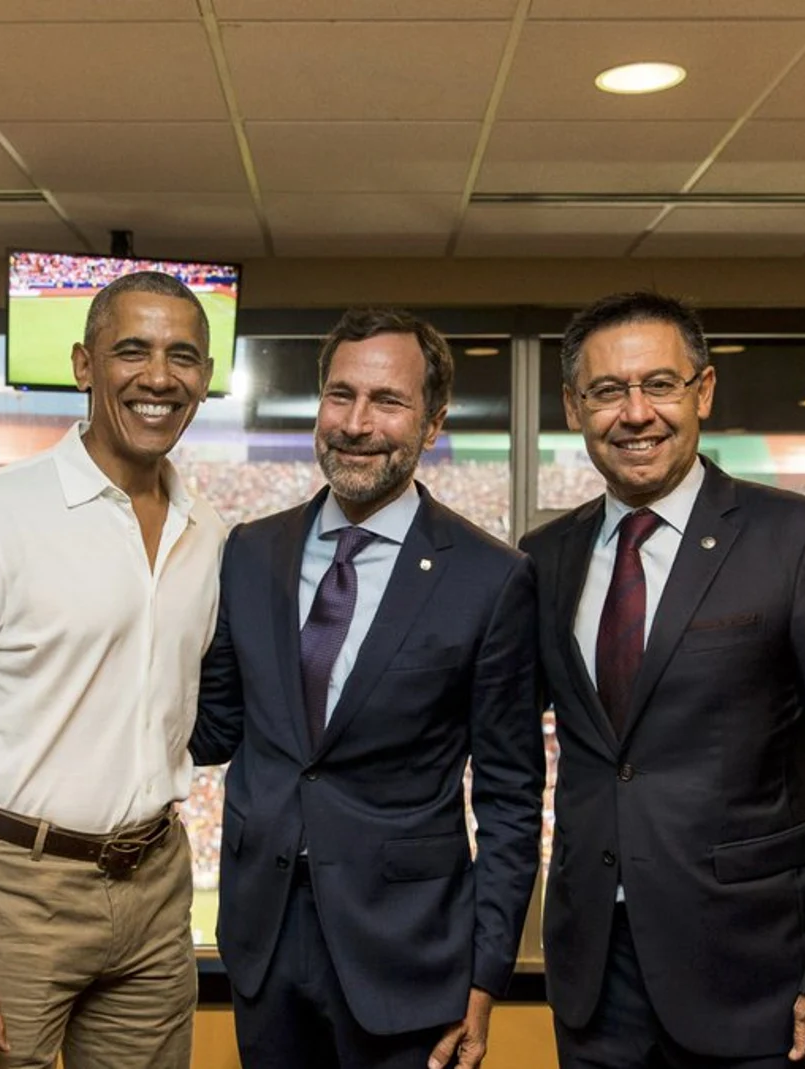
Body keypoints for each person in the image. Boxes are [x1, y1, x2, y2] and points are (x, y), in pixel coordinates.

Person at [522, 291, 805, 1069]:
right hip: (596, 977)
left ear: (702, 391)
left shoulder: (801, 542)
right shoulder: (544, 558)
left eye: (659, 385)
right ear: (574, 406)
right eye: (607, 391)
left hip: (760, 979)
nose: (636, 413)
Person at [0, 271, 224, 1069]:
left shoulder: (207, 529)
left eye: (182, 355)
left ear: (205, 378)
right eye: (131, 350)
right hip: (17, 892)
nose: (158, 376)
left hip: (155, 885)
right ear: (82, 364)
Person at [193, 308, 545, 1069]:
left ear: (433, 422)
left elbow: (511, 798)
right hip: (264, 947)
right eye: (339, 395)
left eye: (387, 401)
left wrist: (486, 980)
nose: (356, 423)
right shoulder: (250, 553)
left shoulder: (491, 578)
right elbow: (209, 727)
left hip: (411, 960)